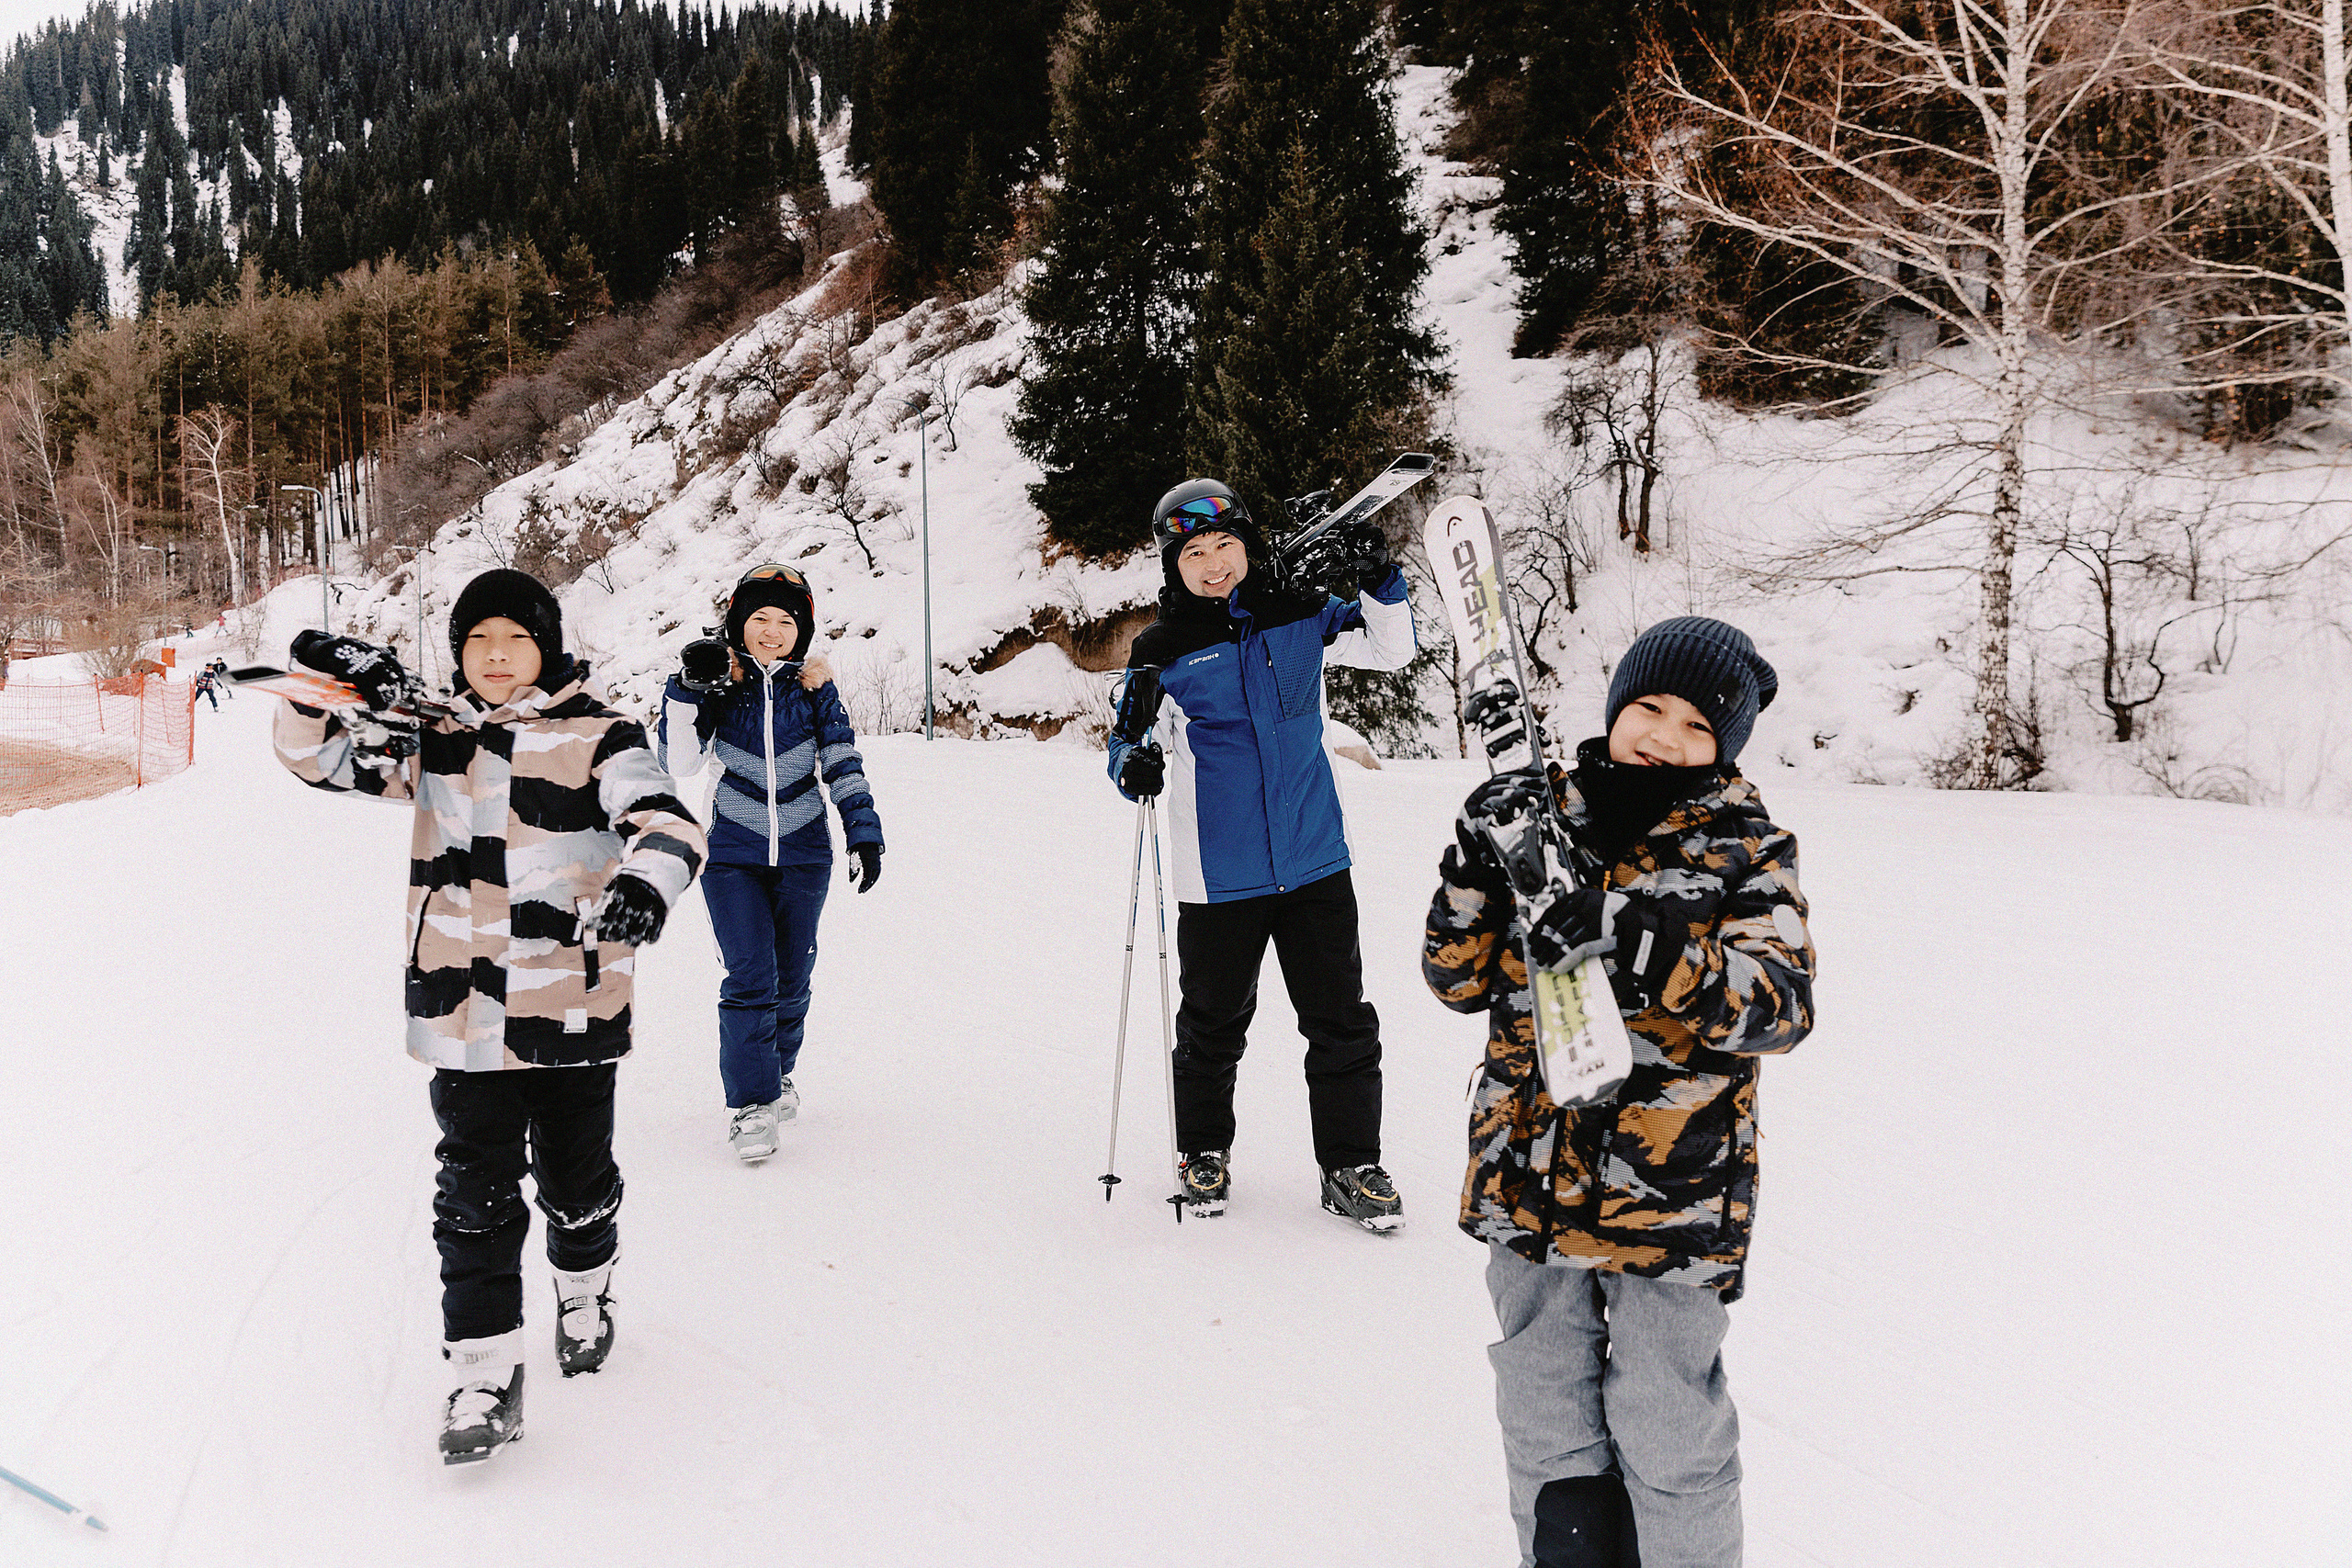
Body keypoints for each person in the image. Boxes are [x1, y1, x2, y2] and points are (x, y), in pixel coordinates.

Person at [273, 568, 707, 1464]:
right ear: (460, 653)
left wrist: (644, 884)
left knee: (576, 1190)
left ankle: (584, 1285)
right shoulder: (438, 738)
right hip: (464, 1013)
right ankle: (483, 1373)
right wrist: (314, 689)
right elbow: (320, 760)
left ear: (544, 644)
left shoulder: (603, 734)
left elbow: (665, 819)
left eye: (514, 639)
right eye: (478, 642)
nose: (497, 656)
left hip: (574, 1012)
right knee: (471, 1199)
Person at [1420, 616, 1815, 1568]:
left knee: (1669, 1423)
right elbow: (1454, 978)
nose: (1663, 735)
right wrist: (1479, 857)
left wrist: (1640, 936)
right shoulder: (1533, 821)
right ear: (1612, 706)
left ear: (1725, 744)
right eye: (1647, 706)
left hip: (1672, 1199)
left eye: (1694, 723)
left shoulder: (1746, 846)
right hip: (1531, 1180)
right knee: (1543, 1408)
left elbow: (1780, 1005)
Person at [1105, 477, 1418, 1230]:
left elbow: (1390, 646)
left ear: (1247, 546)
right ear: (1173, 565)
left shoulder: (1301, 614)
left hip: (1314, 859)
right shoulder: (1162, 650)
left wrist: (1377, 575)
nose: (1214, 564)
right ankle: (1202, 1151)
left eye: (1226, 546)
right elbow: (1128, 740)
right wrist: (1133, 767)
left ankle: (1349, 1164)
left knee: (1341, 1020)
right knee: (1212, 1025)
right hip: (1219, 877)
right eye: (1196, 553)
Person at [657, 563, 883, 1164]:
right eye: (760, 617)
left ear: (801, 631)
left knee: (793, 977)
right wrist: (684, 690)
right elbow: (678, 761)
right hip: (731, 853)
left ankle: (776, 1068)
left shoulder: (813, 688)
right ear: (738, 622)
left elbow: (841, 759)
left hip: (806, 854)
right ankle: (752, 1105)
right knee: (750, 975)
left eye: (786, 620)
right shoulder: (715, 681)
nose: (772, 630)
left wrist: (864, 833)